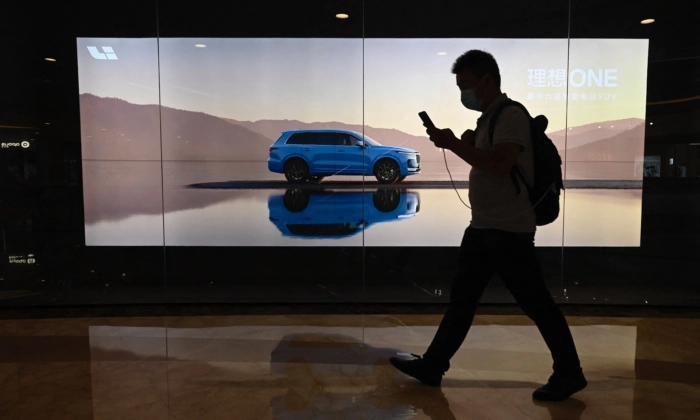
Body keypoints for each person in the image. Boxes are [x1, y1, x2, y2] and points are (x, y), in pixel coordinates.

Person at [389, 50, 587, 402]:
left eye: (465, 85)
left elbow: (499, 164)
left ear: (486, 80)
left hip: (507, 233)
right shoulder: (489, 119)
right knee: (463, 301)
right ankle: (434, 364)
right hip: (485, 229)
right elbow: (491, 164)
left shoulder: (509, 115)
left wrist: (453, 144)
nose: (463, 93)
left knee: (536, 304)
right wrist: (464, 145)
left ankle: (569, 373)